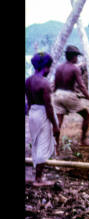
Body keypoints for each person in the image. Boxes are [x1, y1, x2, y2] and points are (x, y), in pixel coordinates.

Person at [25, 52, 60, 186]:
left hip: (33, 112)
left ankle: (37, 175)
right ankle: (38, 179)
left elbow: (27, 101)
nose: (49, 70)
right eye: (49, 67)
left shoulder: (28, 81)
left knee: (36, 142)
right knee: (43, 144)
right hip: (42, 113)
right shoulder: (44, 83)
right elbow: (49, 107)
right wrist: (55, 125)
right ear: (46, 66)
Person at [52, 45, 89, 147]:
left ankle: (55, 145)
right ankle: (83, 140)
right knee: (86, 115)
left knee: (59, 122)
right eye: (77, 56)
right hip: (68, 95)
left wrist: (54, 96)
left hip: (57, 94)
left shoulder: (59, 68)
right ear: (73, 57)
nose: (77, 59)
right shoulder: (74, 68)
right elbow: (82, 86)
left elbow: (55, 84)